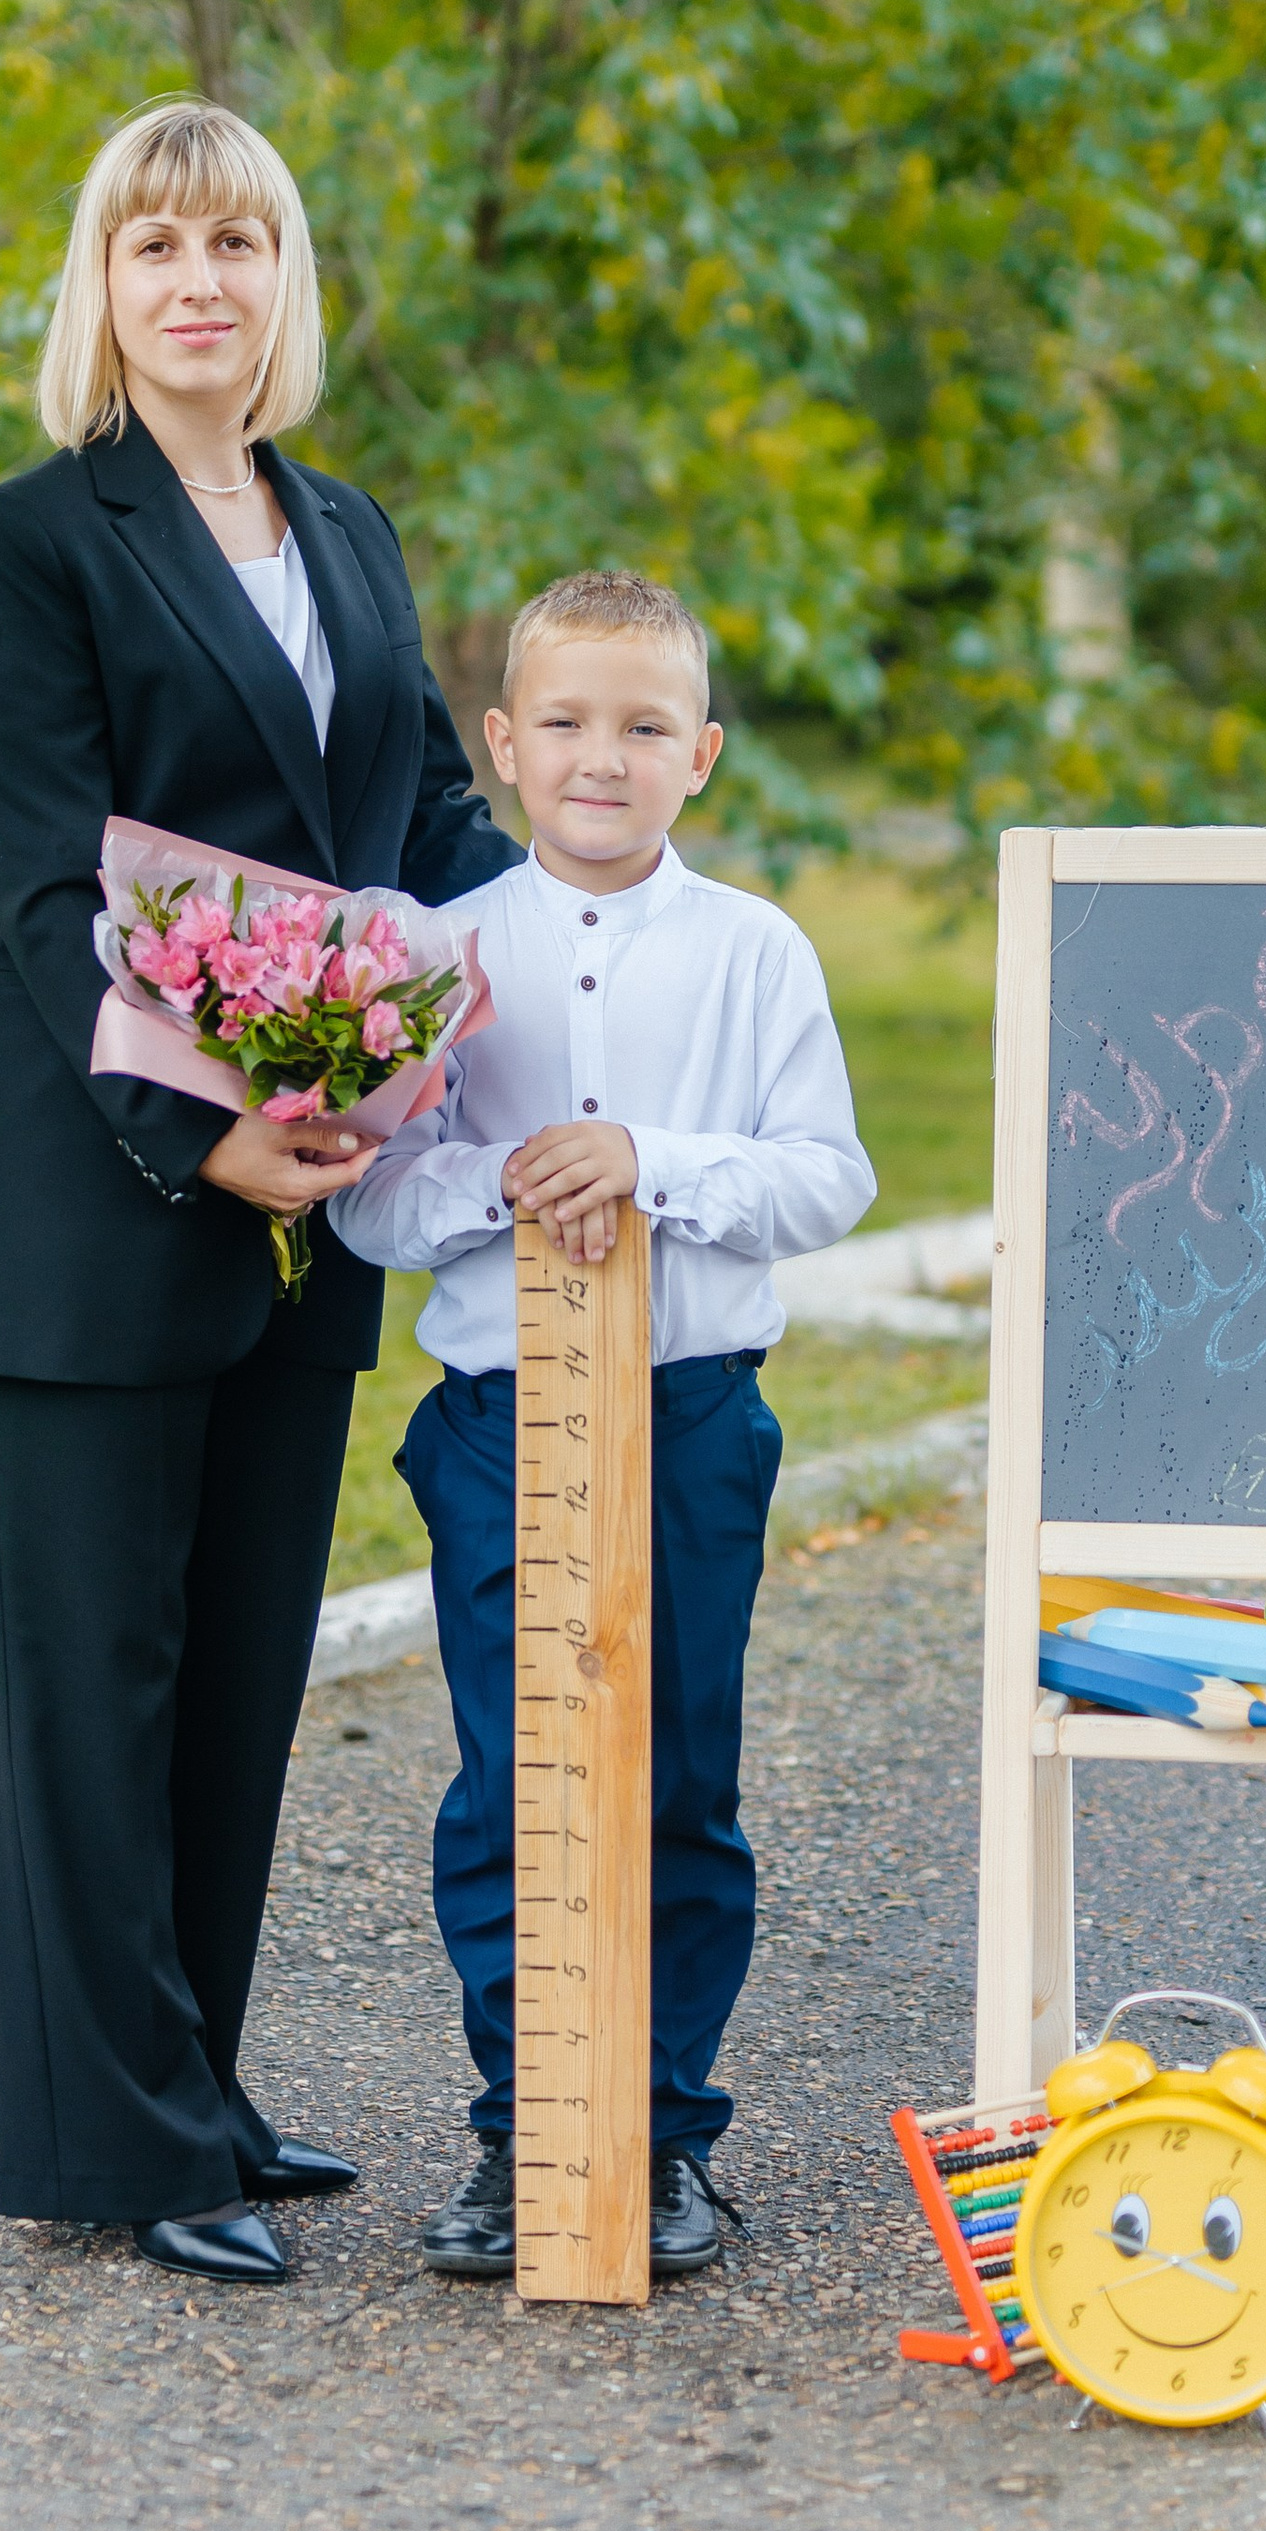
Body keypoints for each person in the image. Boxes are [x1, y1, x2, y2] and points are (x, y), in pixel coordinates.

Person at [0, 96, 520, 2287]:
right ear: (103, 285)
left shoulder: (348, 531)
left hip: (314, 1199)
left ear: (287, 281)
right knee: (95, 1679)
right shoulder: (31, 536)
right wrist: (198, 1132)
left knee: (239, 1669)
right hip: (104, 1201)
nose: (200, 279)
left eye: (240, 242)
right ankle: (116, 2140)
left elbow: (427, 825)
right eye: (157, 243)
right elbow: (48, 883)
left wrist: (612, 924)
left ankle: (200, 2086)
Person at [331, 570, 874, 2278]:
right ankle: (524, 2133)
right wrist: (493, 1181)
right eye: (563, 722)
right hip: (497, 1423)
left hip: (696, 1415)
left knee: (678, 1777)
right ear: (500, 745)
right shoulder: (436, 959)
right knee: (512, 1783)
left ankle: (662, 2136)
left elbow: (827, 1180)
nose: (601, 757)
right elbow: (368, 1202)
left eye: (644, 727)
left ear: (699, 755)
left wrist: (657, 1161)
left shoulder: (755, 951)